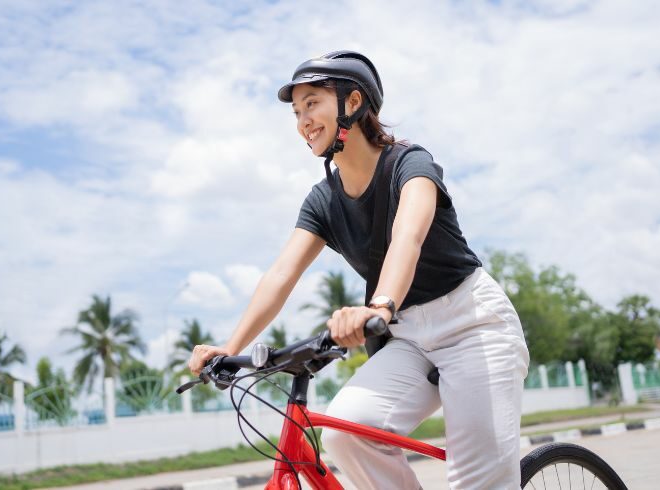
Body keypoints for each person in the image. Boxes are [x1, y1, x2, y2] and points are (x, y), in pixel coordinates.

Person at [187, 50, 530, 489]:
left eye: (313, 103)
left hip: (473, 325)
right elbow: (281, 275)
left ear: (352, 103)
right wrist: (230, 348)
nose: (302, 120)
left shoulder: (410, 164)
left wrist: (380, 307)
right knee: (347, 434)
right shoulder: (323, 201)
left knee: (477, 481)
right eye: (296, 111)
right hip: (408, 338)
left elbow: (408, 236)